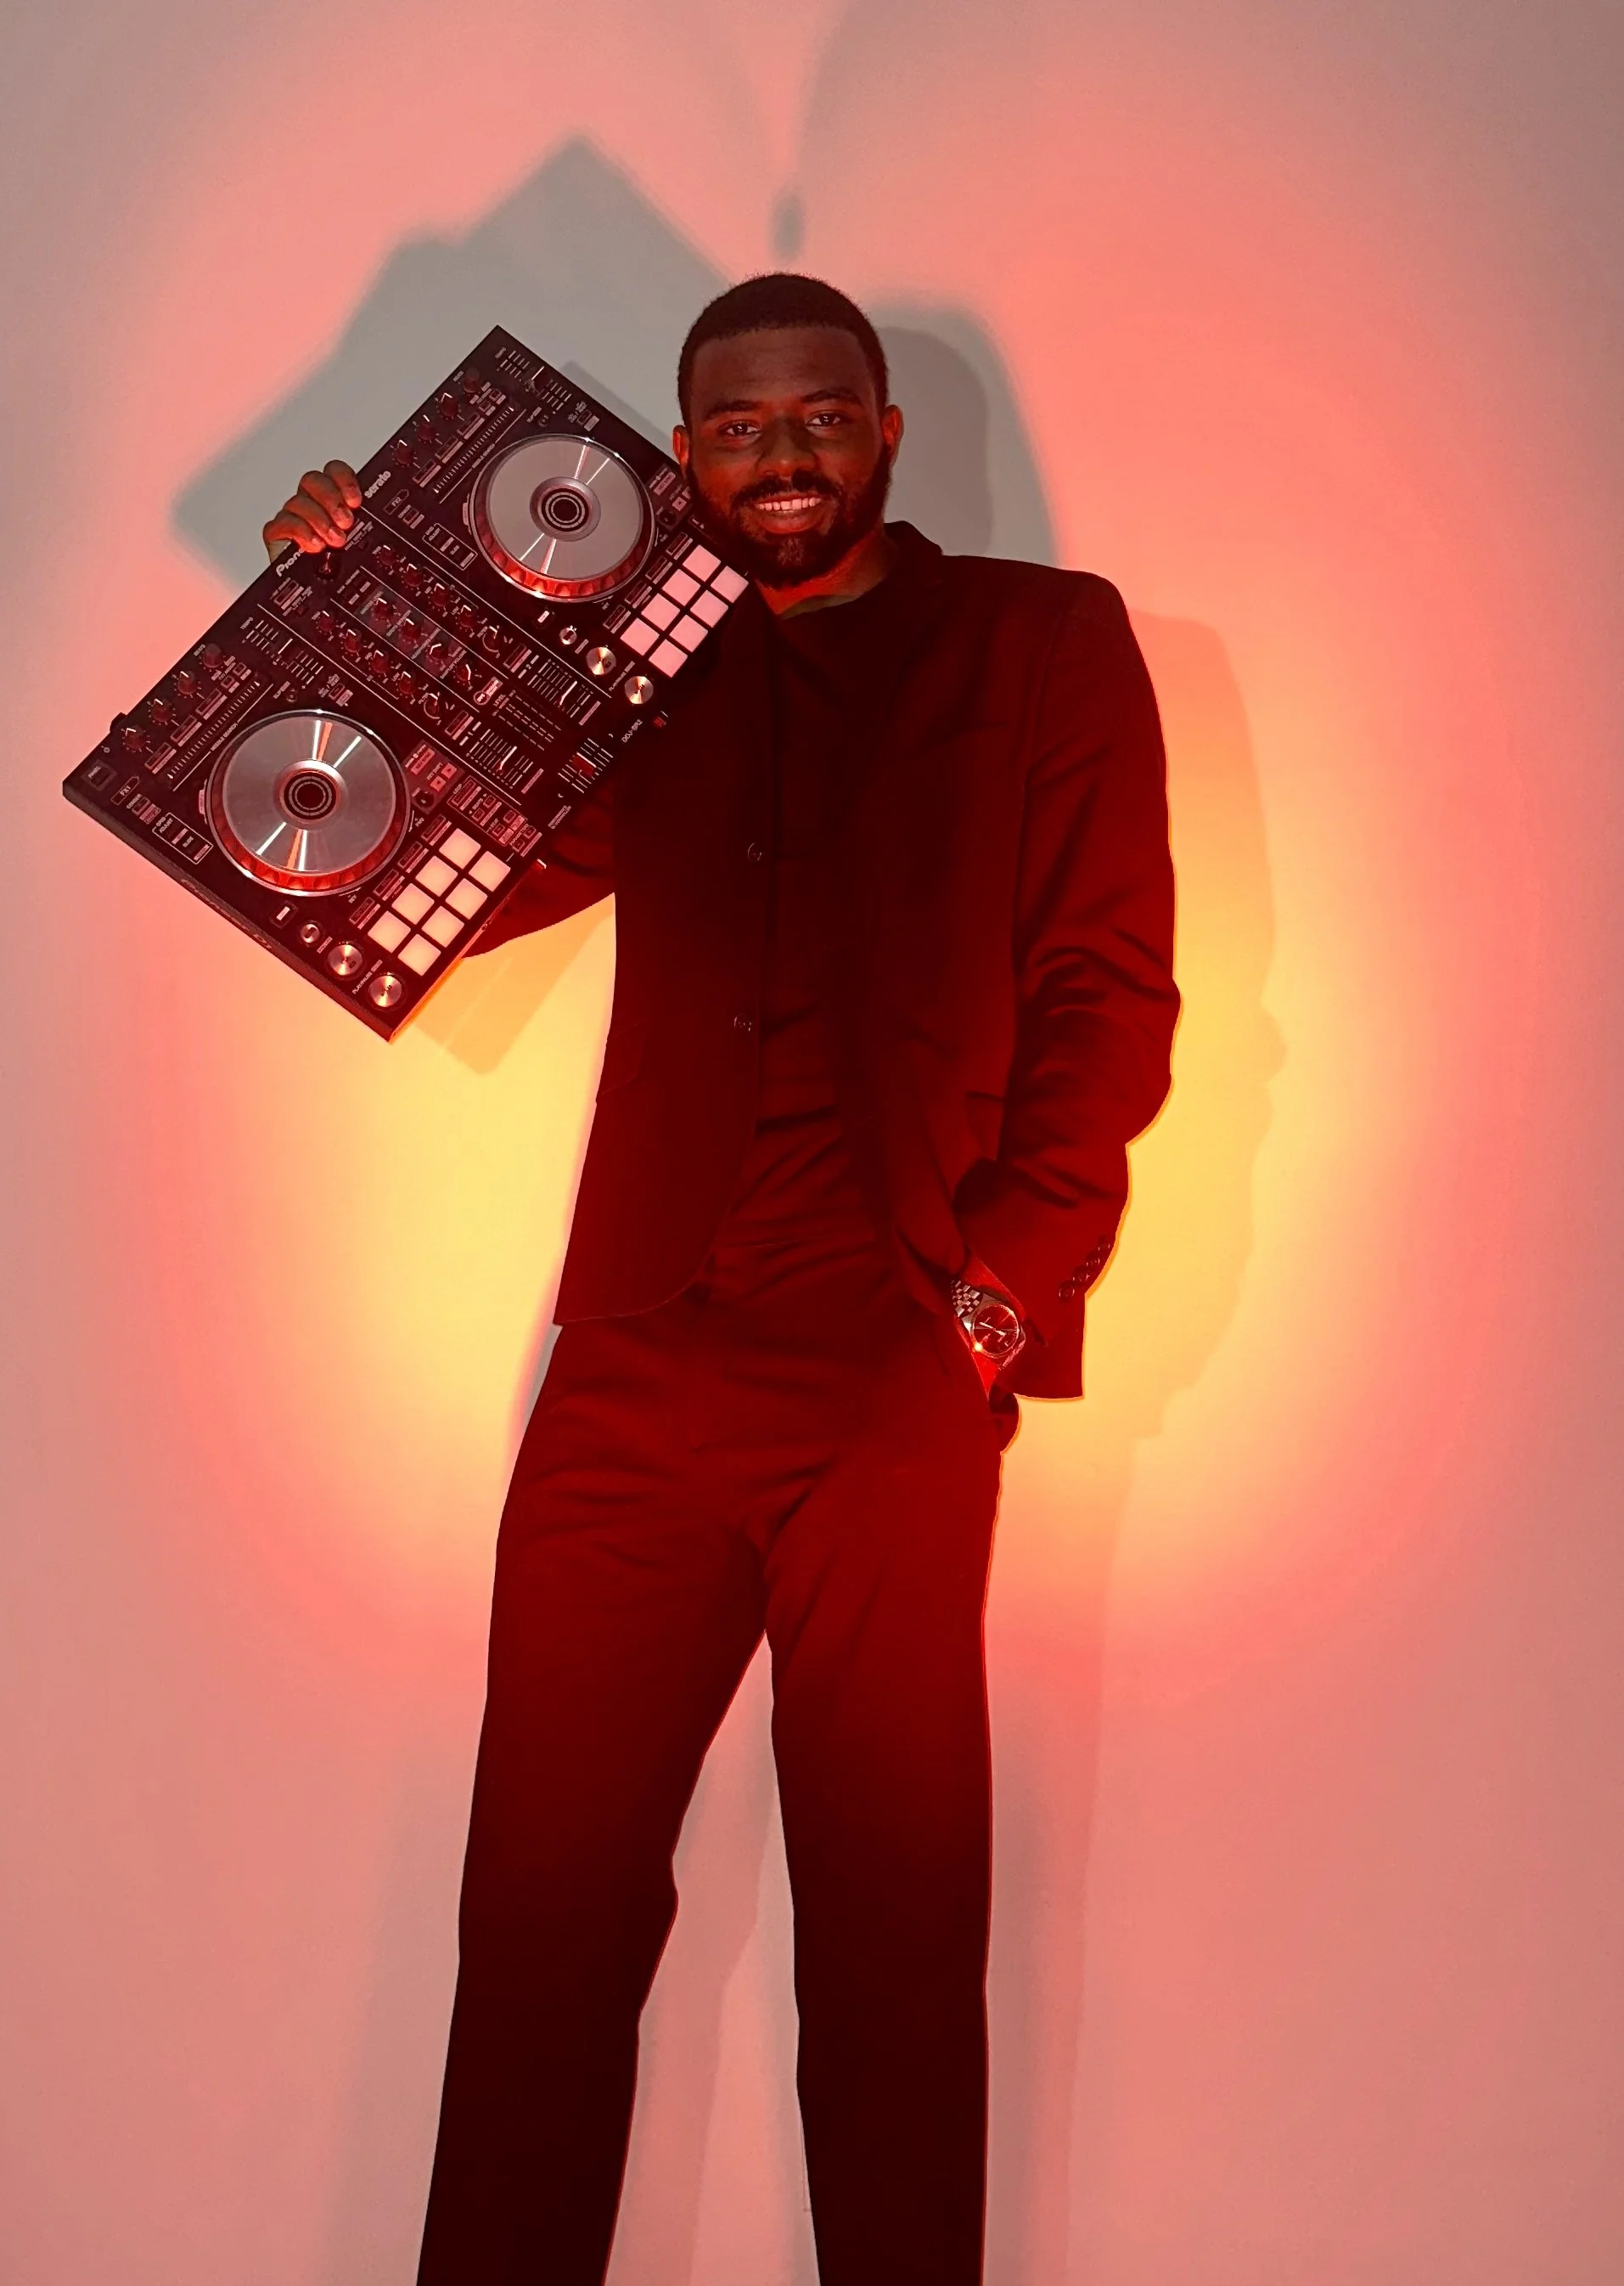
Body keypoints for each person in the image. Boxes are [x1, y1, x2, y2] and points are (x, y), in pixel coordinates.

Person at [265, 273, 1178, 2286]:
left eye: (819, 416)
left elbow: (1110, 991)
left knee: (890, 1940)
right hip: (636, 1365)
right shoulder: (638, 674)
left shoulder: (1039, 640)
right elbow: (431, 859)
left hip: (891, 1373)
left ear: (882, 432)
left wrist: (994, 1308)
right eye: (738, 427)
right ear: (681, 460)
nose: (781, 456)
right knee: (536, 1928)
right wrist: (334, 605)